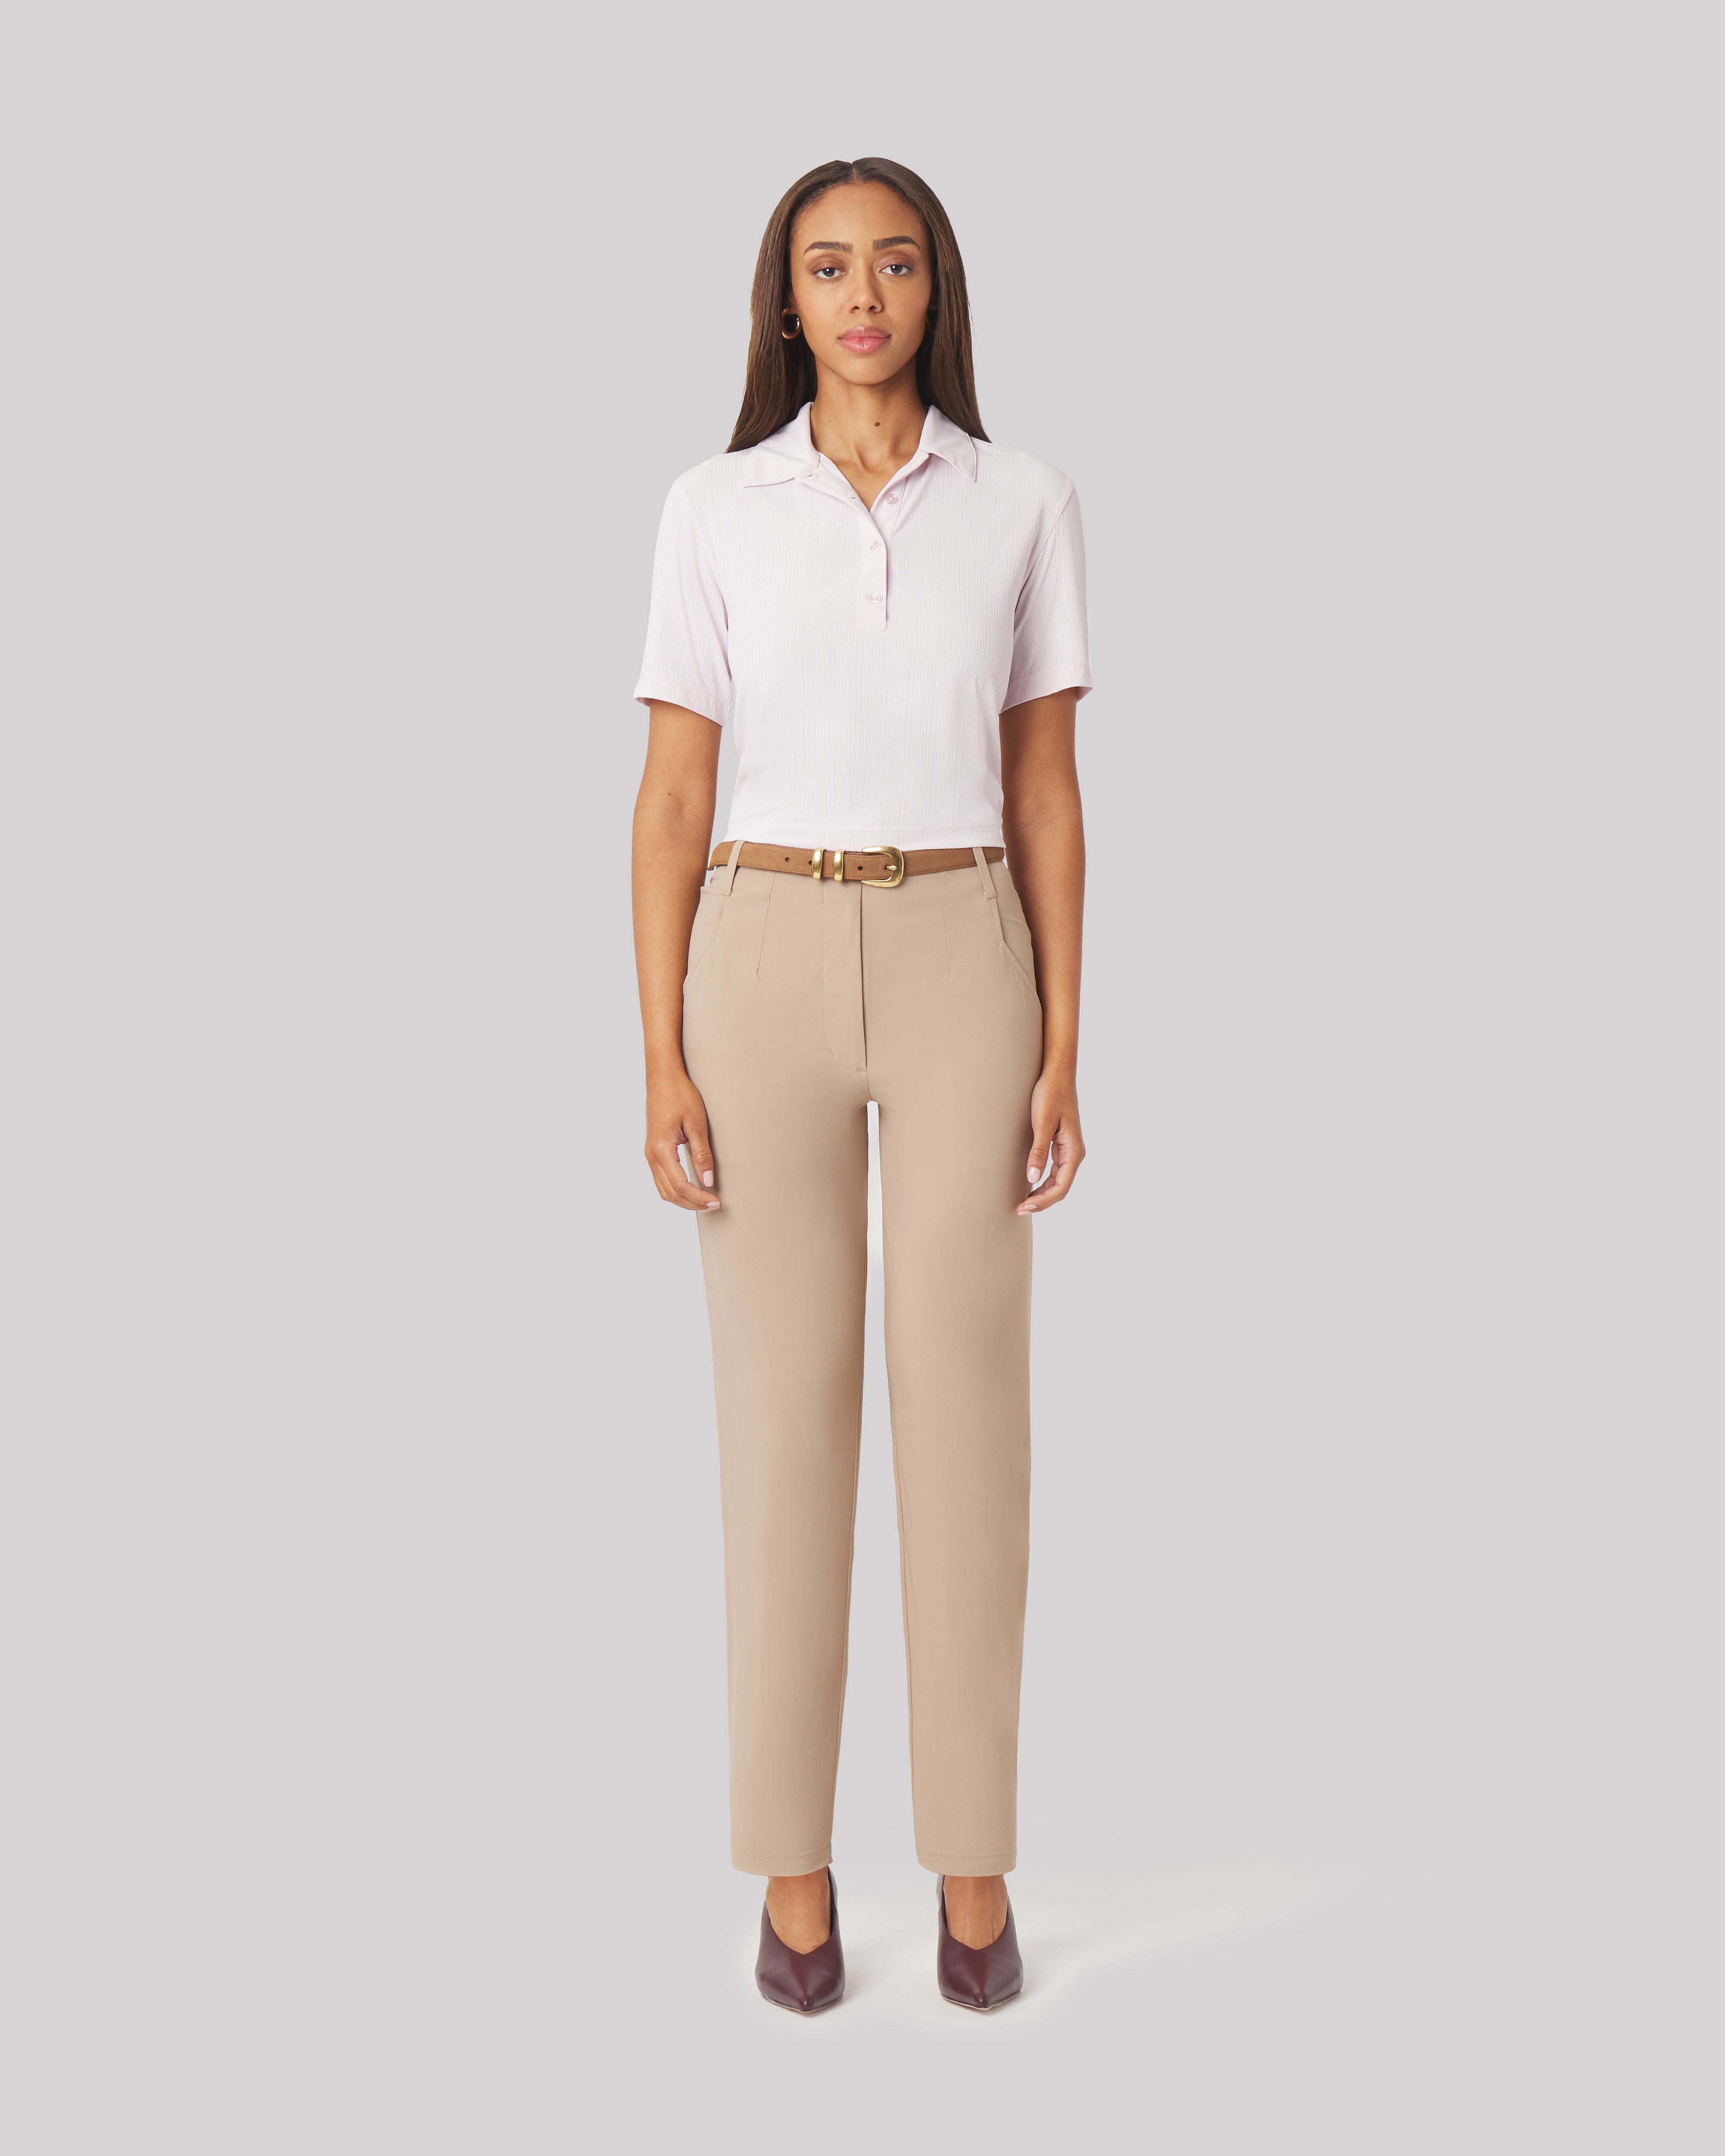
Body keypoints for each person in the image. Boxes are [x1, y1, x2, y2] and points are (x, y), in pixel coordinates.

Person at [630, 156, 1089, 2013]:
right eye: (830, 268)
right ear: (788, 301)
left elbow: (1046, 786)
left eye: (895, 263)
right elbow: (673, 794)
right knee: (781, 1423)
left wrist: (1068, 1036)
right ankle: (794, 1876)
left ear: (936, 290)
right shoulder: (714, 506)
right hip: (759, 952)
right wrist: (657, 1046)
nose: (866, 295)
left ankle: (973, 1864)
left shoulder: (1024, 500)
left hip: (967, 945)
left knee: (970, 1415)